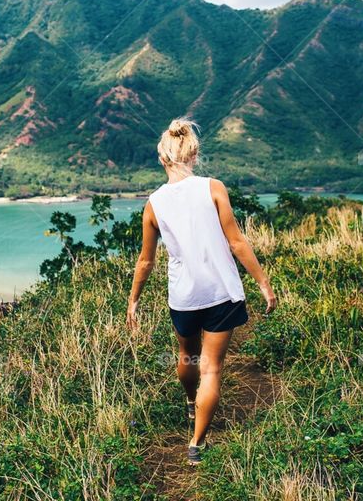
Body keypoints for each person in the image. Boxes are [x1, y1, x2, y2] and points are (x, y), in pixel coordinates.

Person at [126, 117, 277, 466]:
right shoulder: (213, 187)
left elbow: (146, 261)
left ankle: (190, 403)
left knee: (188, 359)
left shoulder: (154, 203)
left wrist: (133, 301)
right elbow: (237, 242)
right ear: (193, 156)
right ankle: (196, 444)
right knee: (211, 369)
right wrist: (263, 283)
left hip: (183, 297)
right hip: (221, 293)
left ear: (163, 160)